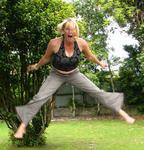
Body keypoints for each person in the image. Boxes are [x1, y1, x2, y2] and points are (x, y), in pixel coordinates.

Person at [14, 18, 135, 139]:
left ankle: (122, 113)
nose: (70, 31)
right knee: (40, 97)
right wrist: (36, 66)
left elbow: (90, 56)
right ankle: (22, 126)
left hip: (74, 74)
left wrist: (100, 63)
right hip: (56, 74)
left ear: (76, 31)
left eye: (73, 29)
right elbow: (46, 58)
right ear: (63, 30)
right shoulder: (54, 43)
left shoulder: (81, 43)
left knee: (97, 92)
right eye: (67, 29)